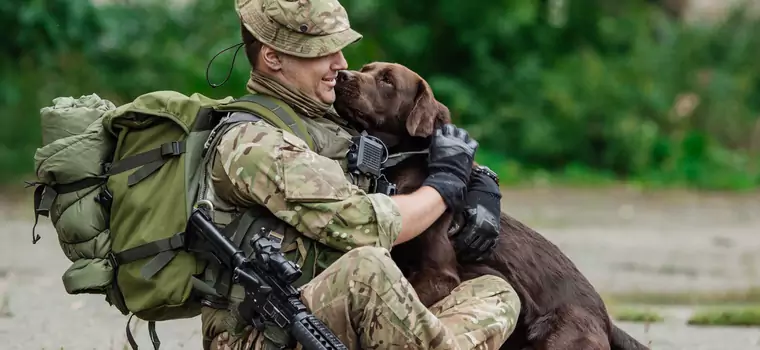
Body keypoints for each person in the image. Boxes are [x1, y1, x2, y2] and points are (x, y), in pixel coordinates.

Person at [197, 0, 521, 349]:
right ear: (273, 57)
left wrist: (481, 181)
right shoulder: (256, 143)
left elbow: (407, 152)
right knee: (367, 269)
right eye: (322, 51)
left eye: (339, 49)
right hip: (261, 332)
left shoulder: (322, 122)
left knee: (494, 291)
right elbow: (364, 226)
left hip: (322, 310)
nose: (341, 64)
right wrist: (444, 187)